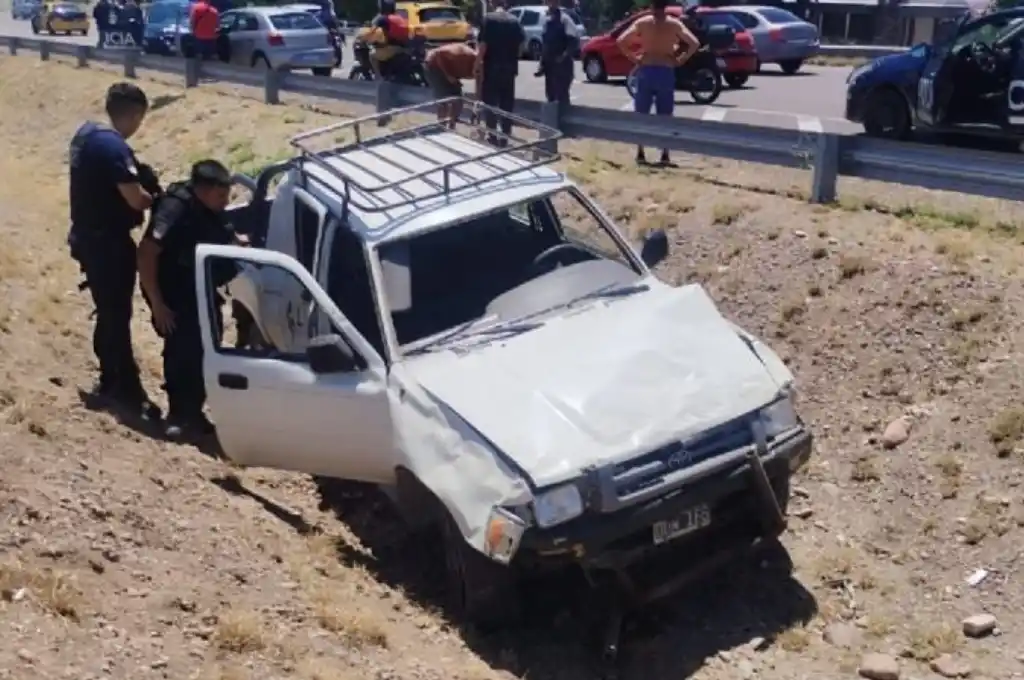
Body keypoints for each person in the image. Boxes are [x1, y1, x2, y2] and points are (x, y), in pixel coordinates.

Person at [67, 83, 161, 420]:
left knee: (108, 312)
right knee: (116, 316)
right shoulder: (112, 147)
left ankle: (111, 379)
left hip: (88, 237)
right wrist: (155, 199)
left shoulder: (87, 134)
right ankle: (124, 389)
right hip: (107, 243)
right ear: (135, 114)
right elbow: (135, 198)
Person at [137, 160, 242, 440]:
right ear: (203, 190)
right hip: (175, 293)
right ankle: (179, 415)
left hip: (201, 289)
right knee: (182, 351)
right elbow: (147, 253)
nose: (225, 202)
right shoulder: (175, 209)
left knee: (208, 347)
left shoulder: (207, 208)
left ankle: (194, 411)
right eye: (221, 196)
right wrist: (157, 303)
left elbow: (219, 230)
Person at [616, 0, 699, 166]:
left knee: (641, 113)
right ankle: (665, 153)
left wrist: (635, 58)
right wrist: (680, 60)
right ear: (665, 7)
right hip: (665, 69)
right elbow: (694, 43)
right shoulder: (674, 24)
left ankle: (640, 151)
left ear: (652, 7)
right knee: (665, 114)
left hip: (646, 68)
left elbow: (621, 41)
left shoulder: (643, 23)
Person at [475, 0, 523, 144]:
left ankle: (492, 134)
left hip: (492, 68)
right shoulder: (515, 21)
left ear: (492, 4)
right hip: (509, 68)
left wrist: (477, 63)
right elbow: (521, 46)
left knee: (490, 102)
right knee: (507, 103)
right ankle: (505, 135)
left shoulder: (488, 20)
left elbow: (483, 45)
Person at [537, 0, 578, 111]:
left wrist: (563, 57)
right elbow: (545, 44)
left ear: (557, 3)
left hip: (563, 67)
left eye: (553, 1)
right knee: (550, 96)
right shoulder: (546, 20)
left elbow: (573, 42)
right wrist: (541, 64)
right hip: (550, 67)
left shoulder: (565, 20)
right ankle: (552, 125)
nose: (550, 4)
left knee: (562, 96)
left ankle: (565, 126)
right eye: (548, 2)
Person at [424, 43, 477, 127]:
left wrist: (476, 107)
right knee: (443, 100)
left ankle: (452, 125)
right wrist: (448, 75)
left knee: (458, 100)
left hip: (451, 72)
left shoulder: (479, 68)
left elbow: (478, 89)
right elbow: (438, 54)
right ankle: (441, 126)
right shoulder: (462, 53)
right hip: (434, 66)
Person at [365, 0, 410, 80]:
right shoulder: (399, 18)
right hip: (404, 48)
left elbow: (372, 32)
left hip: (391, 49)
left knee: (372, 55)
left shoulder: (382, 19)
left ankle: (378, 77)